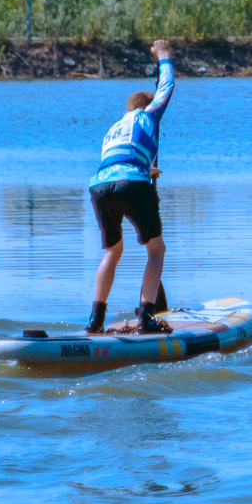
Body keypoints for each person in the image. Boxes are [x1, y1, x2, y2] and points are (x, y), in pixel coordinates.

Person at [87, 40, 176, 334]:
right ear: (147, 106)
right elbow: (168, 86)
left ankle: (95, 320)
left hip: (100, 185)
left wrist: (145, 168)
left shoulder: (113, 129)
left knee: (112, 252)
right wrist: (163, 55)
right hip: (132, 182)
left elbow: (118, 162)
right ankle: (147, 317)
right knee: (156, 250)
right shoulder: (149, 114)